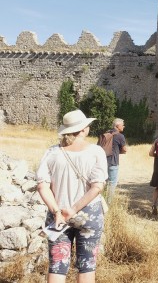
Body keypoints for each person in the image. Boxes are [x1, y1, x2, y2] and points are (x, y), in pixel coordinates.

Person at [36, 109, 108, 282]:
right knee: (86, 265)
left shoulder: (52, 152)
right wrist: (73, 209)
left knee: (57, 265)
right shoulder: (96, 151)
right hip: (87, 214)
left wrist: (57, 212)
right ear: (83, 129)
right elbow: (97, 186)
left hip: (58, 214)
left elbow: (42, 186)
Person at [104, 118, 127, 204]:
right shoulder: (120, 136)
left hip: (103, 162)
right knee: (112, 184)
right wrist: (117, 151)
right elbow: (124, 150)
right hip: (113, 162)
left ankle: (102, 201)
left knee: (104, 183)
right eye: (122, 125)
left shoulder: (105, 133)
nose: (124, 126)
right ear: (117, 126)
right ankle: (108, 204)